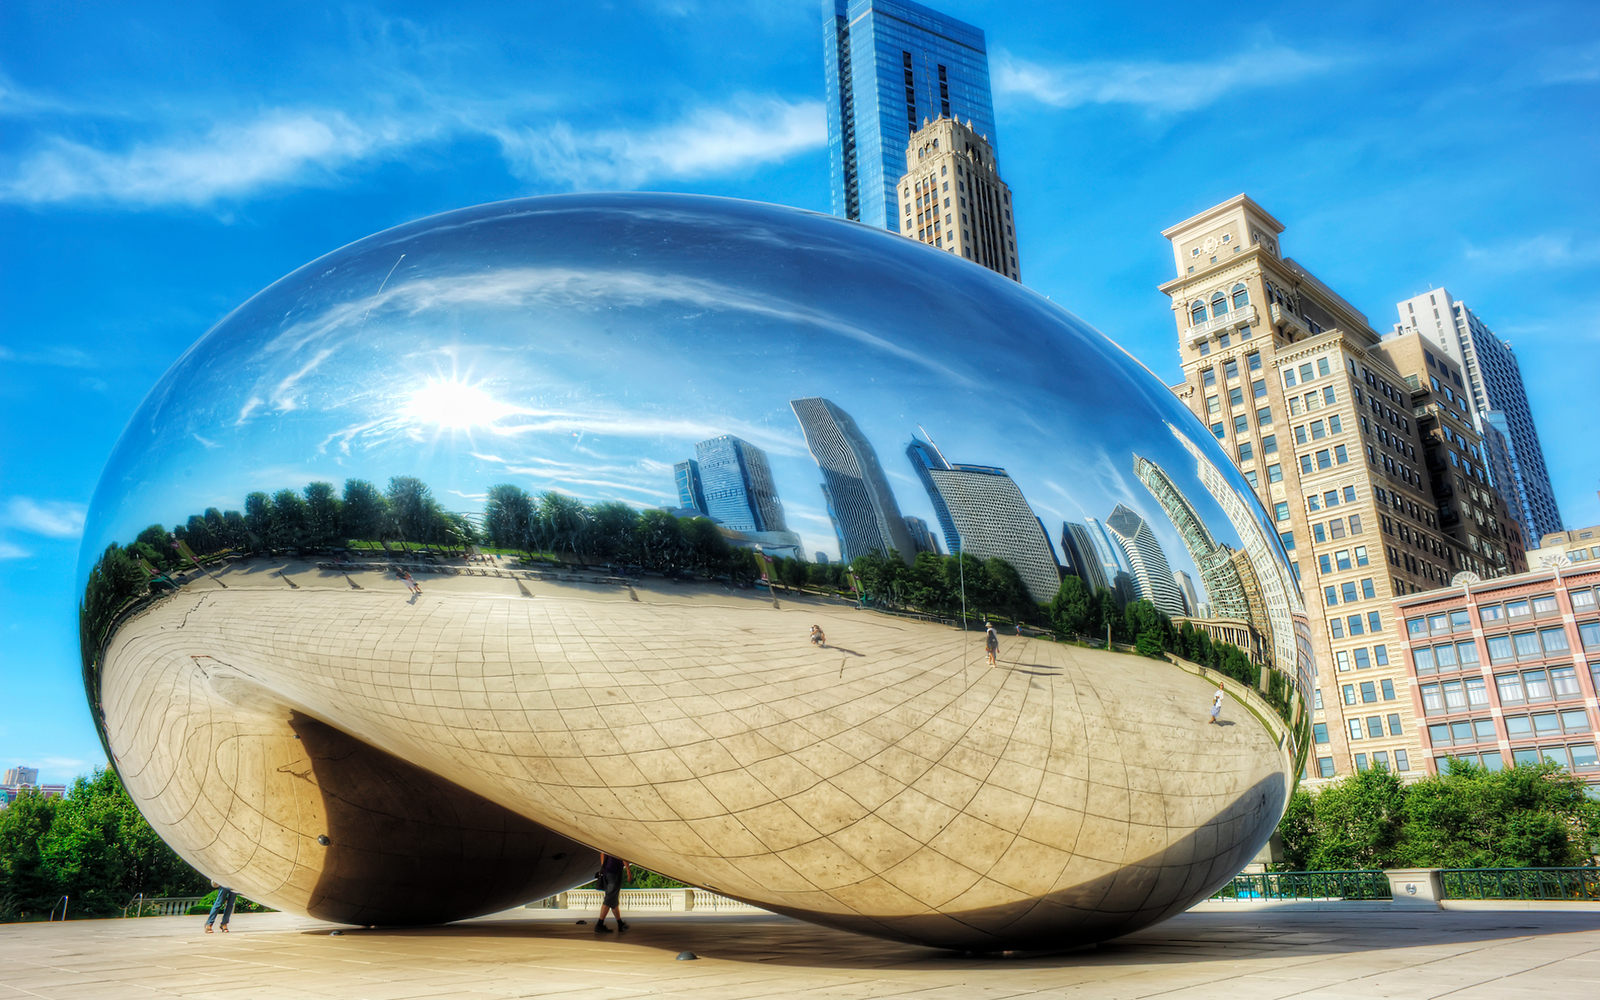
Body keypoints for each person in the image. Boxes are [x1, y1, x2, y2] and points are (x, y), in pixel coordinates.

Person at [593, 852, 631, 933]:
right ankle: (599, 924)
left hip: (606, 872)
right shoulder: (618, 845)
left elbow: (602, 853)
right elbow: (623, 856)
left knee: (613, 899)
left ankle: (620, 923)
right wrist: (628, 871)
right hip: (615, 872)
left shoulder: (608, 844)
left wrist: (604, 867)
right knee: (609, 898)